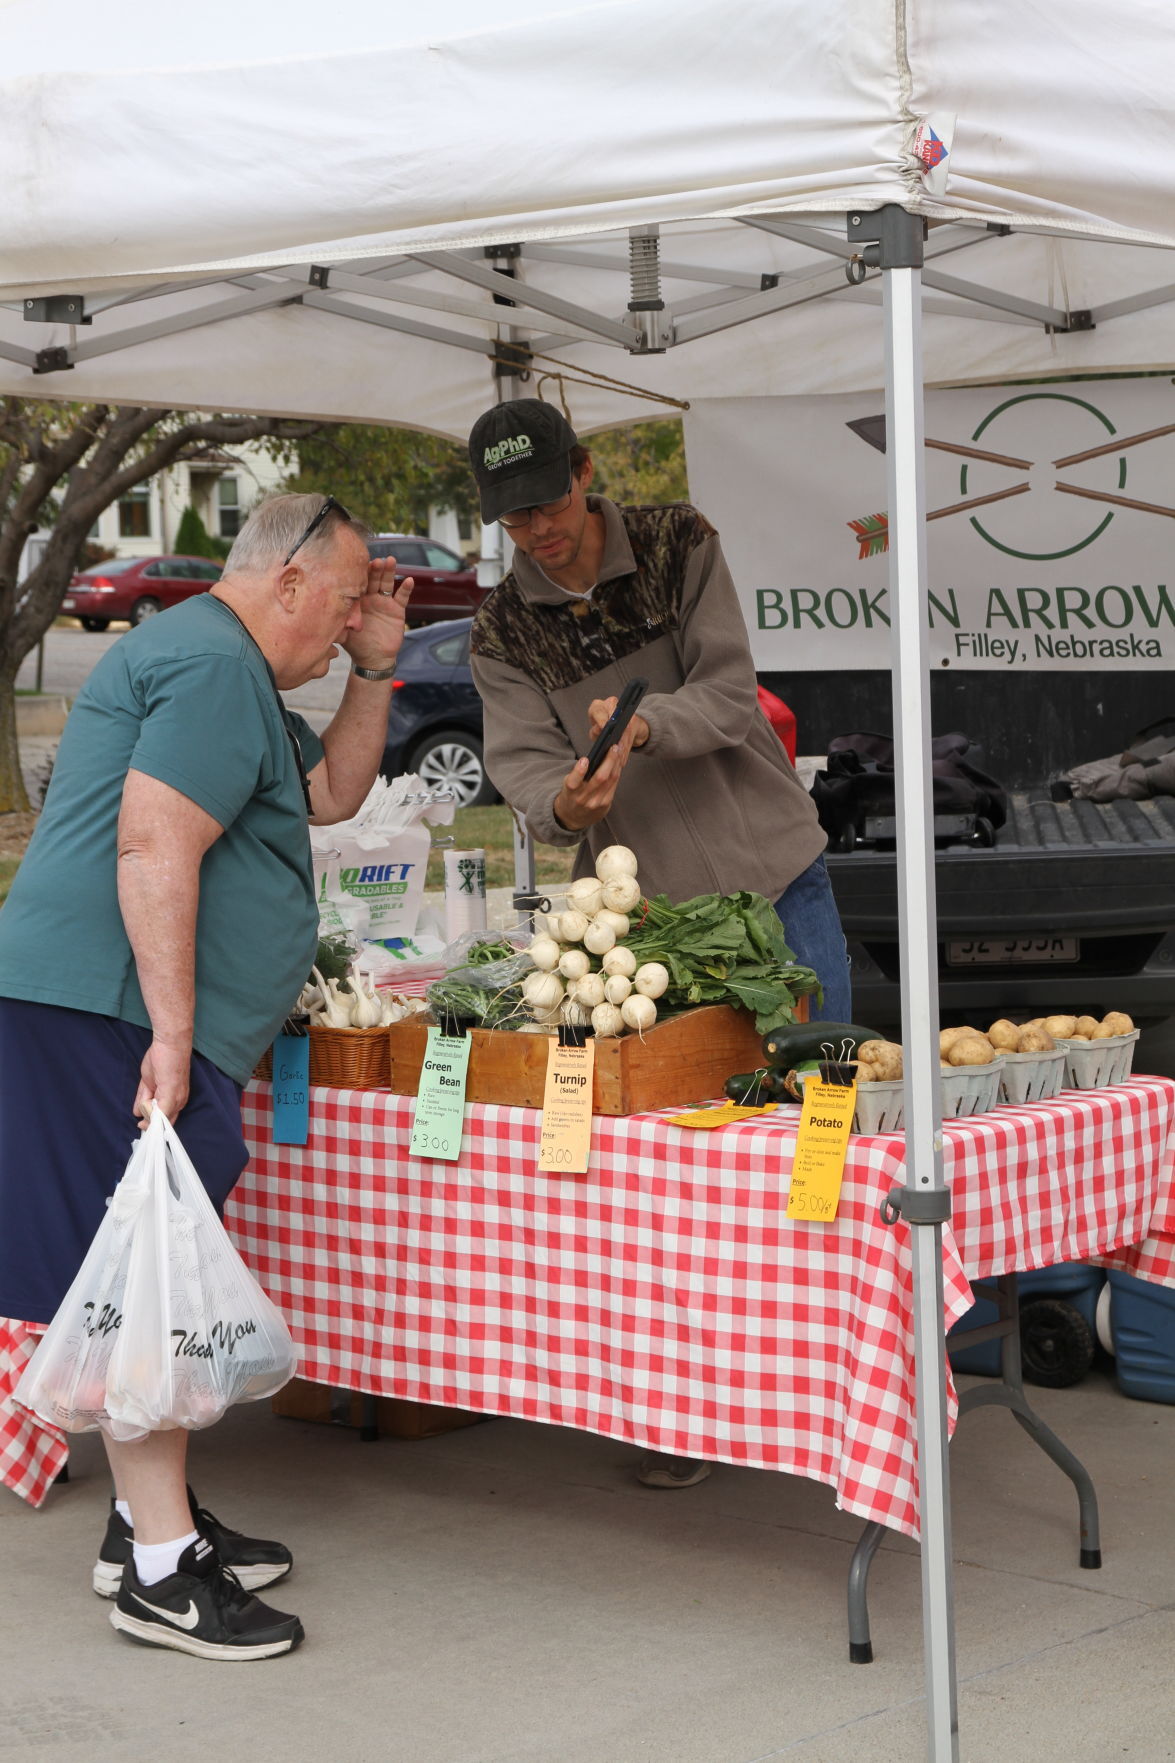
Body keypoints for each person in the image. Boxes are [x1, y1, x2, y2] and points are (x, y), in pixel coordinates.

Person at [0, 493, 413, 1660]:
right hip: (113, 1008)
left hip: (113, 1005)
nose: (342, 627)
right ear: (284, 581)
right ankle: (162, 1573)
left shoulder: (229, 667)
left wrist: (375, 668)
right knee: (139, 1280)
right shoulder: (209, 662)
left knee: (142, 1268)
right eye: (340, 606)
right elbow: (154, 842)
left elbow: (329, 797)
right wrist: (173, 1036)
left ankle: (146, 1520)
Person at [466, 399, 851, 1491]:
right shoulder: (500, 632)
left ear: (584, 472)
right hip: (647, 933)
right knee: (680, 1163)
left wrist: (639, 726)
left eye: (544, 503)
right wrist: (571, 807)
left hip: (776, 876)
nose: (533, 532)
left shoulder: (679, 541)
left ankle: (831, 1386)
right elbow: (526, 778)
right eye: (511, 519)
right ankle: (688, 1407)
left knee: (820, 1121)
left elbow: (731, 692)